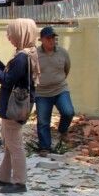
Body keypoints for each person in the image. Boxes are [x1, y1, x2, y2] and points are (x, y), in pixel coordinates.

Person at [0, 18, 40, 194]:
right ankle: (4, 177)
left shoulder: (21, 57)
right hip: (15, 106)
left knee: (15, 145)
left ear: (21, 33)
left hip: (14, 108)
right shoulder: (26, 53)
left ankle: (20, 182)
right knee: (9, 143)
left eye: (11, 33)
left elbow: (7, 80)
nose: (9, 36)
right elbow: (13, 75)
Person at [35, 25, 74, 156]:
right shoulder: (35, 54)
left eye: (53, 38)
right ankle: (45, 146)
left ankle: (63, 131)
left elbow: (67, 68)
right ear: (41, 40)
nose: (52, 40)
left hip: (60, 89)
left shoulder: (63, 52)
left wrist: (59, 80)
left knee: (68, 112)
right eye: (48, 38)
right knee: (43, 121)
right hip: (42, 92)